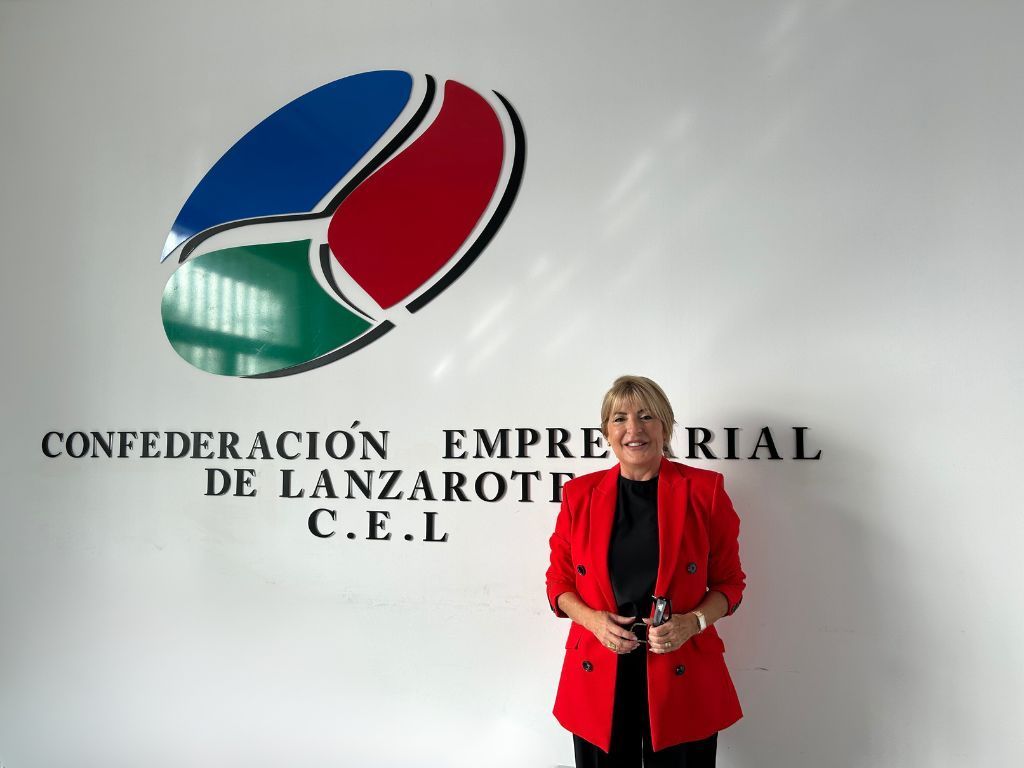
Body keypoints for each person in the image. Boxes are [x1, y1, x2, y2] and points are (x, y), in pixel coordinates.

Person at [546, 375, 746, 768]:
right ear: (606, 432)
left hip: (679, 662)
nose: (633, 429)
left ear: (665, 426)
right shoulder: (579, 495)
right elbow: (559, 582)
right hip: (601, 663)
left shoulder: (704, 491)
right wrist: (593, 621)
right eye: (619, 418)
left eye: (646, 416)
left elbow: (730, 583)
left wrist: (692, 623)